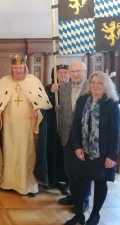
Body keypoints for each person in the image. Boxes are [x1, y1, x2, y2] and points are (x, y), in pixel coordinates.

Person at [0, 55, 52, 196]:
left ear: (25, 68)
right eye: (15, 68)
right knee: (10, 153)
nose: (18, 71)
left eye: (20, 68)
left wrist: (38, 109)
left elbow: (42, 102)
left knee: (26, 153)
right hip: (10, 126)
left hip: (27, 125)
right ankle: (9, 183)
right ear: (11, 69)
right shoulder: (4, 81)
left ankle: (28, 186)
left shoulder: (33, 81)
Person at [65, 72, 119, 225]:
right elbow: (75, 126)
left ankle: (95, 215)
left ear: (106, 85)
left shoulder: (112, 103)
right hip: (82, 151)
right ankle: (79, 214)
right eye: (93, 82)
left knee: (100, 182)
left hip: (102, 153)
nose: (96, 85)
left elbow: (116, 131)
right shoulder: (83, 100)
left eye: (100, 83)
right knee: (77, 181)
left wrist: (113, 155)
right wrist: (77, 147)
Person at [57, 61, 91, 213]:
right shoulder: (63, 88)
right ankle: (73, 195)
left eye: (79, 71)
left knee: (83, 170)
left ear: (85, 72)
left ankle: (83, 200)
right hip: (66, 135)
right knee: (69, 169)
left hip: (84, 138)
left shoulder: (92, 88)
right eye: (73, 71)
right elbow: (64, 112)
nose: (75, 74)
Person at [34, 65, 70, 192]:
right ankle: (51, 178)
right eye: (60, 72)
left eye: (66, 72)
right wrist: (51, 94)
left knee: (65, 155)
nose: (63, 75)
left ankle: (67, 181)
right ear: (55, 75)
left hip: (68, 128)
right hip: (53, 127)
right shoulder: (49, 88)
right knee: (53, 151)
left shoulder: (73, 88)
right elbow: (42, 104)